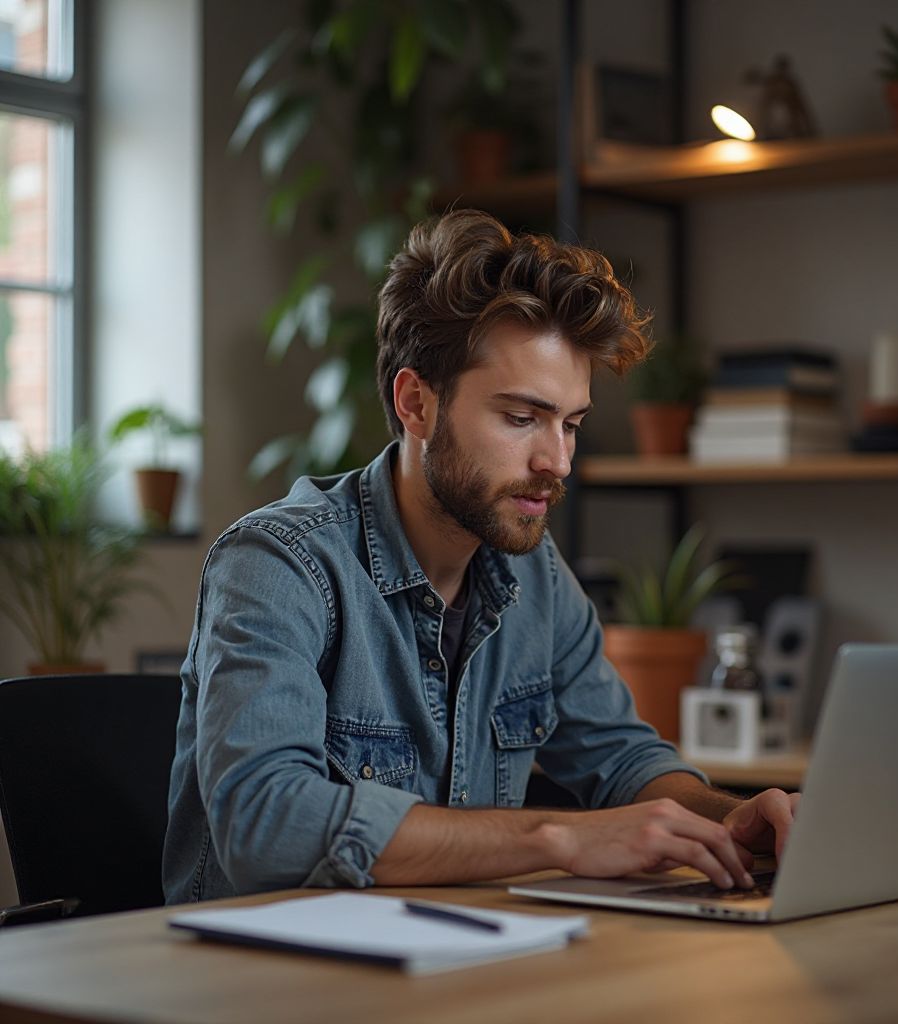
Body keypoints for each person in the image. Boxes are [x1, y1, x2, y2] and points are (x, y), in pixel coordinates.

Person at [162, 209, 799, 904]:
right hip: (259, 985)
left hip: (449, 963)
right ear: (417, 405)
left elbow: (623, 760)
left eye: (571, 424)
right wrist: (557, 839)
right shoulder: (277, 564)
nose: (556, 460)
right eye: (521, 418)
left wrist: (730, 818)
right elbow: (265, 827)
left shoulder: (534, 573)